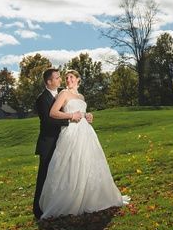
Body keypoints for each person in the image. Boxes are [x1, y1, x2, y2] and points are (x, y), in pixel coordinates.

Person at [38, 69, 129, 219]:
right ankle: (71, 199)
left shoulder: (81, 96)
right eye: (66, 78)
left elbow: (82, 113)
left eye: (71, 77)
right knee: (72, 164)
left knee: (88, 162)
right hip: (71, 132)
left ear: (78, 79)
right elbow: (53, 113)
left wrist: (88, 116)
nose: (68, 80)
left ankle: (90, 197)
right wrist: (71, 115)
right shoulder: (63, 94)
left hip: (86, 132)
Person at [32, 67, 85, 220]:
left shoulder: (63, 93)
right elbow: (48, 120)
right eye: (57, 78)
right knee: (44, 176)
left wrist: (83, 117)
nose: (61, 80)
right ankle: (38, 209)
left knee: (60, 175)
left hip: (65, 140)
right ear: (49, 82)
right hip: (48, 142)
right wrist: (70, 118)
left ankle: (59, 203)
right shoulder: (42, 98)